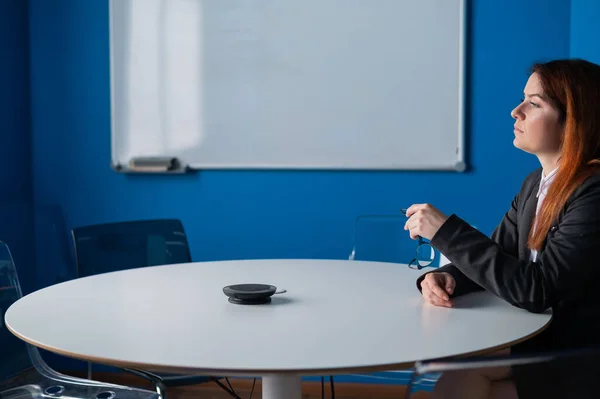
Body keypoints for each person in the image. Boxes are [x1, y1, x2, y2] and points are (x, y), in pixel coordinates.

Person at [403, 58, 600, 399]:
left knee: (461, 374)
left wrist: (445, 232)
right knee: (459, 374)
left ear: (573, 121)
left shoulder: (594, 193)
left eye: (534, 104)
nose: (515, 111)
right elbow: (500, 256)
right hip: (544, 344)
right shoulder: (535, 184)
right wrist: (447, 277)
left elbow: (537, 291)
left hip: (577, 358)